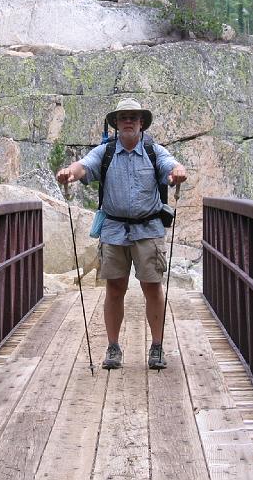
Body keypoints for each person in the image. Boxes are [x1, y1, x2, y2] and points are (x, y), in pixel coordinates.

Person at [56, 98, 187, 370]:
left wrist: (177, 173)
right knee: (115, 289)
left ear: (141, 123)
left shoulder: (154, 151)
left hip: (148, 230)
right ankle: (113, 347)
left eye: (133, 117)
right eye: (123, 117)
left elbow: (170, 167)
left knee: (152, 287)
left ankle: (157, 347)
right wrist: (70, 173)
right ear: (116, 123)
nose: (128, 121)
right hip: (114, 230)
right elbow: (84, 166)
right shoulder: (104, 152)